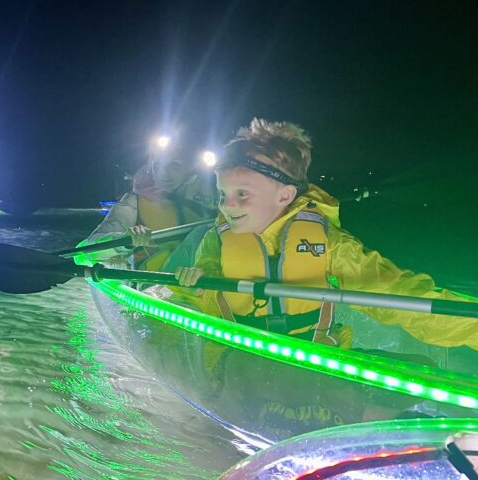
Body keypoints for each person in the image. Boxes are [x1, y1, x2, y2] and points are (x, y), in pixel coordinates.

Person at [131, 118, 477, 350]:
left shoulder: (329, 244)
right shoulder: (216, 239)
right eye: (223, 195)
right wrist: (192, 284)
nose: (226, 206)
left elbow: (400, 295)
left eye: (242, 194)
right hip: (237, 360)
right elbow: (203, 297)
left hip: (311, 363)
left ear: (285, 195)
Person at [88, 152, 216, 269]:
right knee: (202, 231)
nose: (164, 172)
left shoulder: (217, 191)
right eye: (159, 164)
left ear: (191, 167)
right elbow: (92, 246)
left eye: (175, 165)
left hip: (206, 272)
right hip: (155, 278)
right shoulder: (134, 201)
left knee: (207, 231)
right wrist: (124, 241)